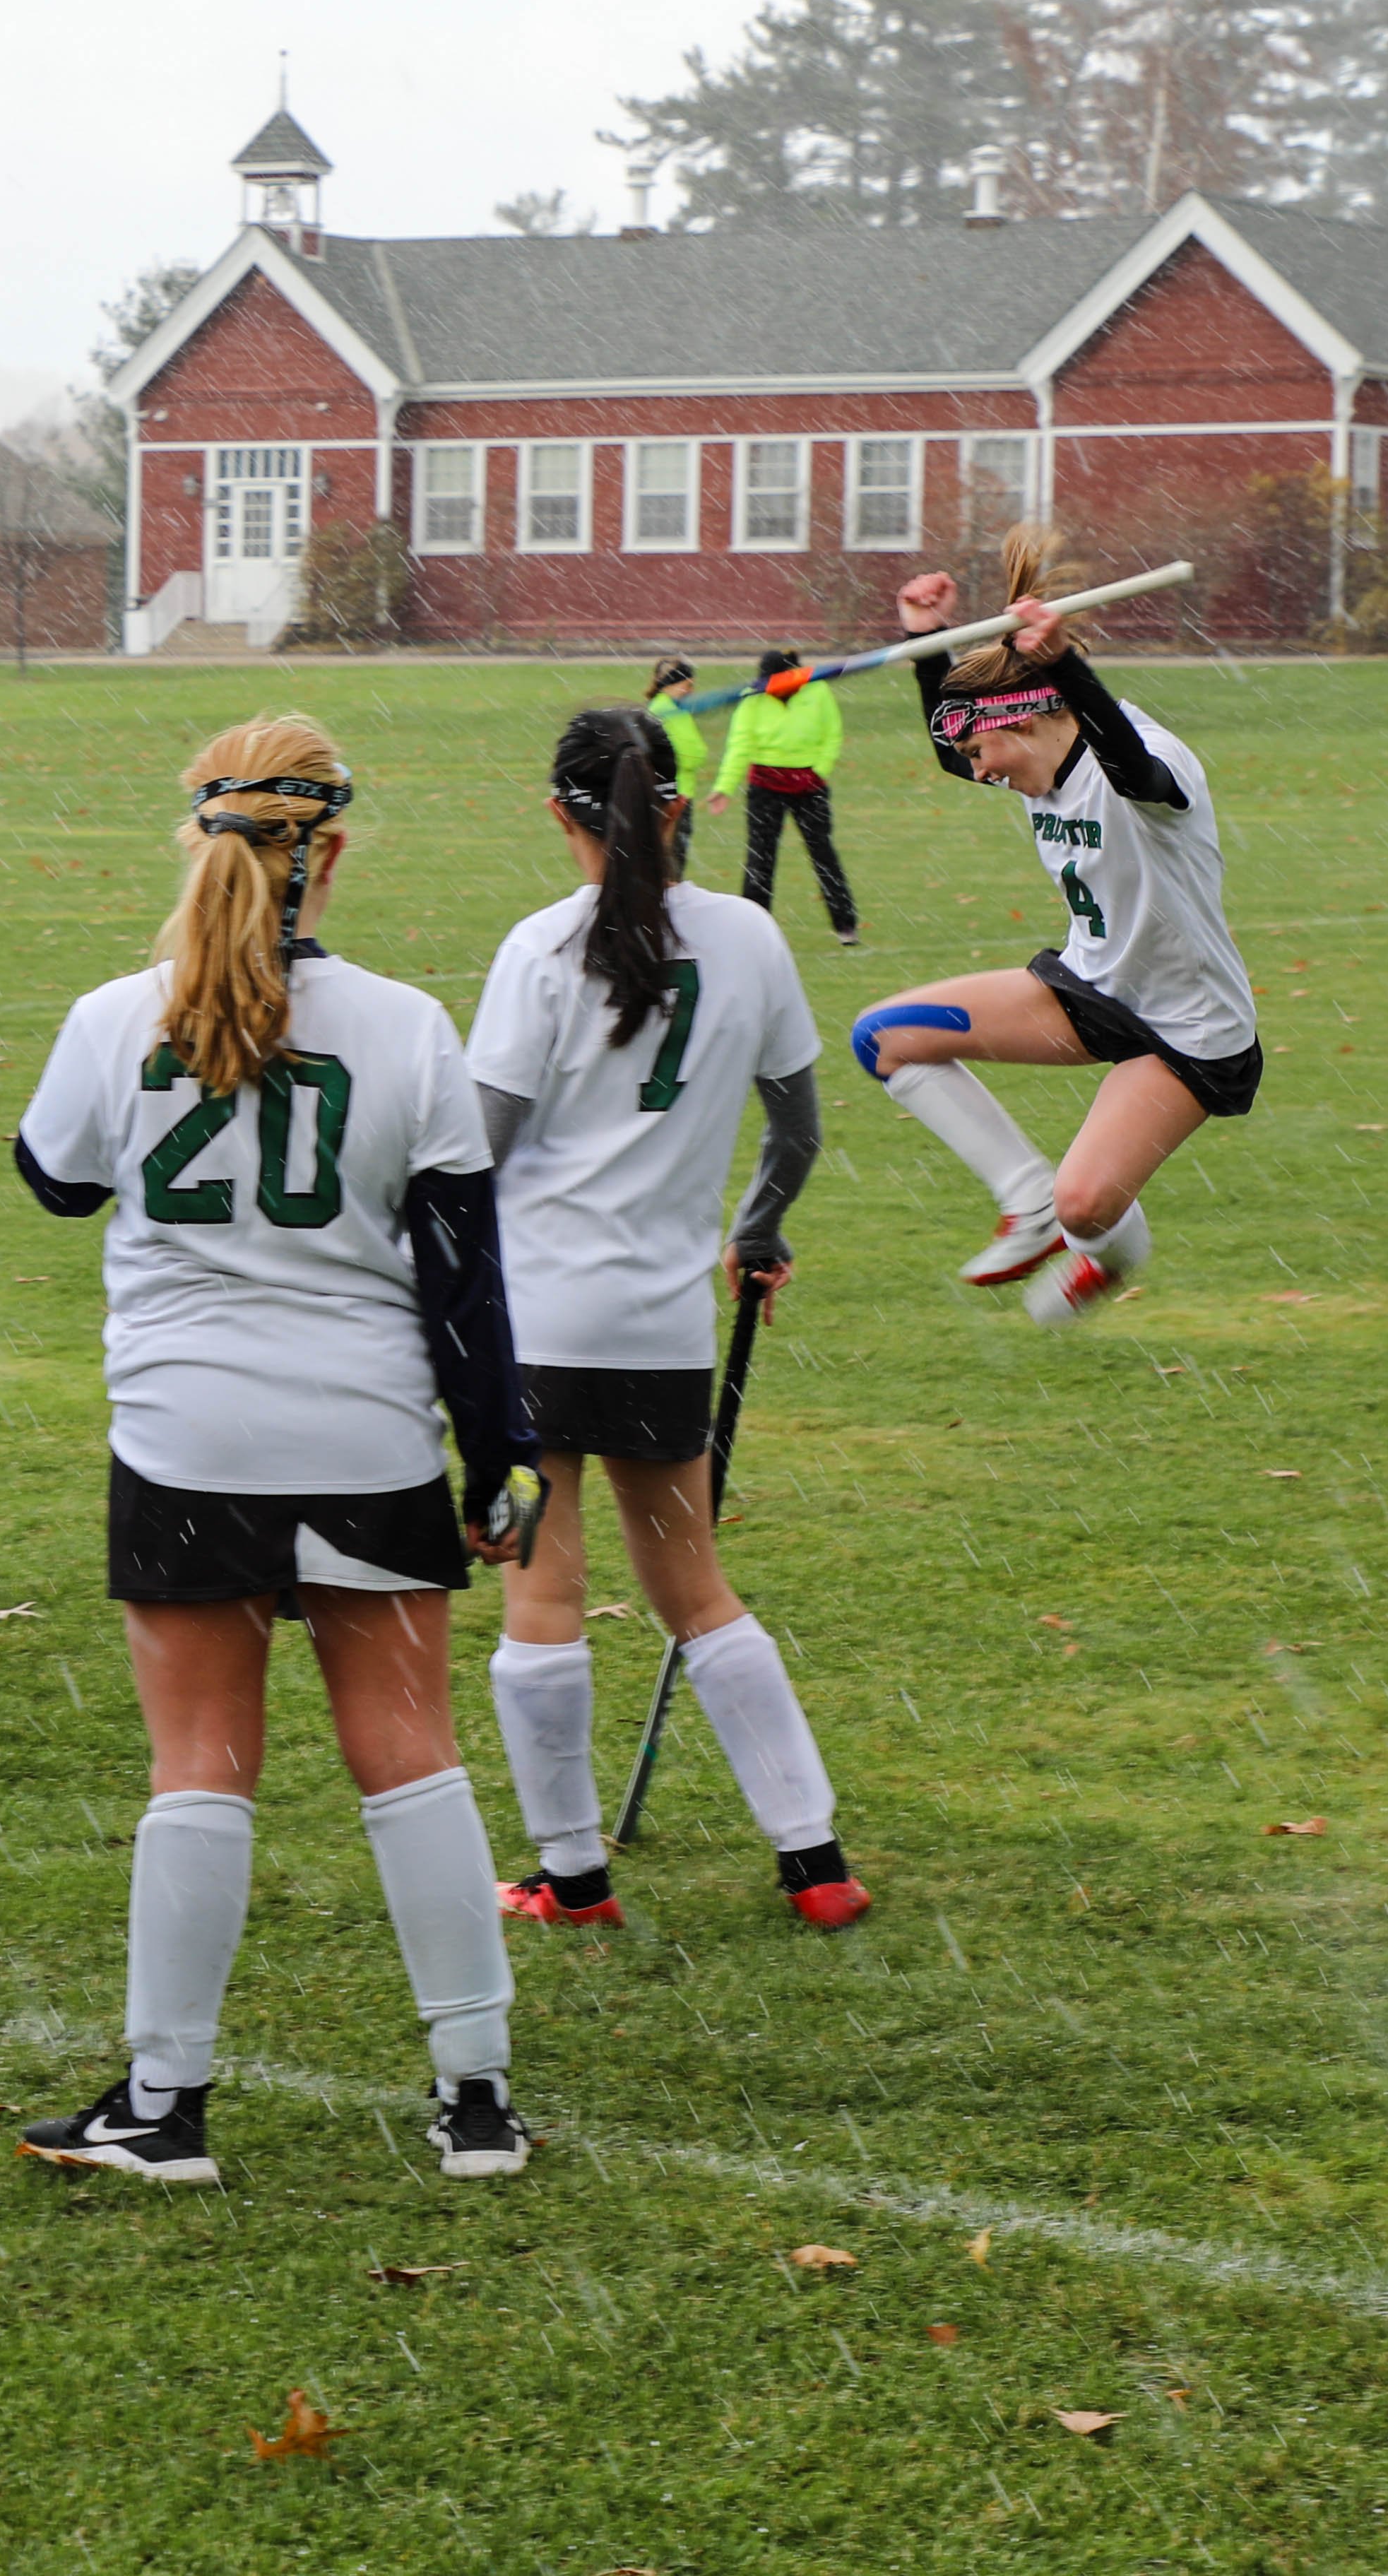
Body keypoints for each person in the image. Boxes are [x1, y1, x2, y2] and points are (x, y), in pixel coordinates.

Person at [6, 716, 542, 2189]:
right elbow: (463, 1273)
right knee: (412, 1757)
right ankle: (476, 2093)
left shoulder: (119, 1013)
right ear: (334, 849)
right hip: (366, 1428)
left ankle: (166, 2100)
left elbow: (53, 1180)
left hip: (188, 1432)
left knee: (202, 1761)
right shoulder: (409, 1023)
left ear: (197, 836)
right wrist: (502, 1455)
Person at [468, 708, 865, 1935]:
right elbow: (795, 1134)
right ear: (682, 807)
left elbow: (478, 1155)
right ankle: (816, 1863)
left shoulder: (539, 950)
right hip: (660, 1331)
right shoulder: (749, 940)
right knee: (697, 1591)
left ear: (558, 815)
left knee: (543, 1590)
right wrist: (756, 1232)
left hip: (538, 1326)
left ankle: (572, 1880)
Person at [859, 526, 1261, 1319]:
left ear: (1027, 714)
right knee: (884, 1038)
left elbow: (1128, 764)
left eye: (982, 751)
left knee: (1091, 1208)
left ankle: (1100, 1250)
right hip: (1090, 988)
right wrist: (926, 639)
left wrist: (1067, 664)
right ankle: (1027, 1198)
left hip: (1189, 1029)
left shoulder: (1145, 758)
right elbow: (956, 745)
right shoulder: (1034, 753)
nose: (977, 773)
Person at [711, 649, 862, 948]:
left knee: (823, 853)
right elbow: (740, 744)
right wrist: (724, 787)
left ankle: (846, 925)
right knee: (760, 857)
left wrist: (818, 772)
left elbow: (832, 735)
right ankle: (752, 928)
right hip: (766, 786)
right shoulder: (753, 697)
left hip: (810, 786)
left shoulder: (817, 691)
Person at [642, 658, 708, 876]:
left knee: (672, 855)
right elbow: (687, 755)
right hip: (673, 794)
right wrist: (697, 757)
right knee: (671, 860)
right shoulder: (665, 711)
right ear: (673, 684)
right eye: (688, 685)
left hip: (677, 793)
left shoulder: (671, 708)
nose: (691, 691)